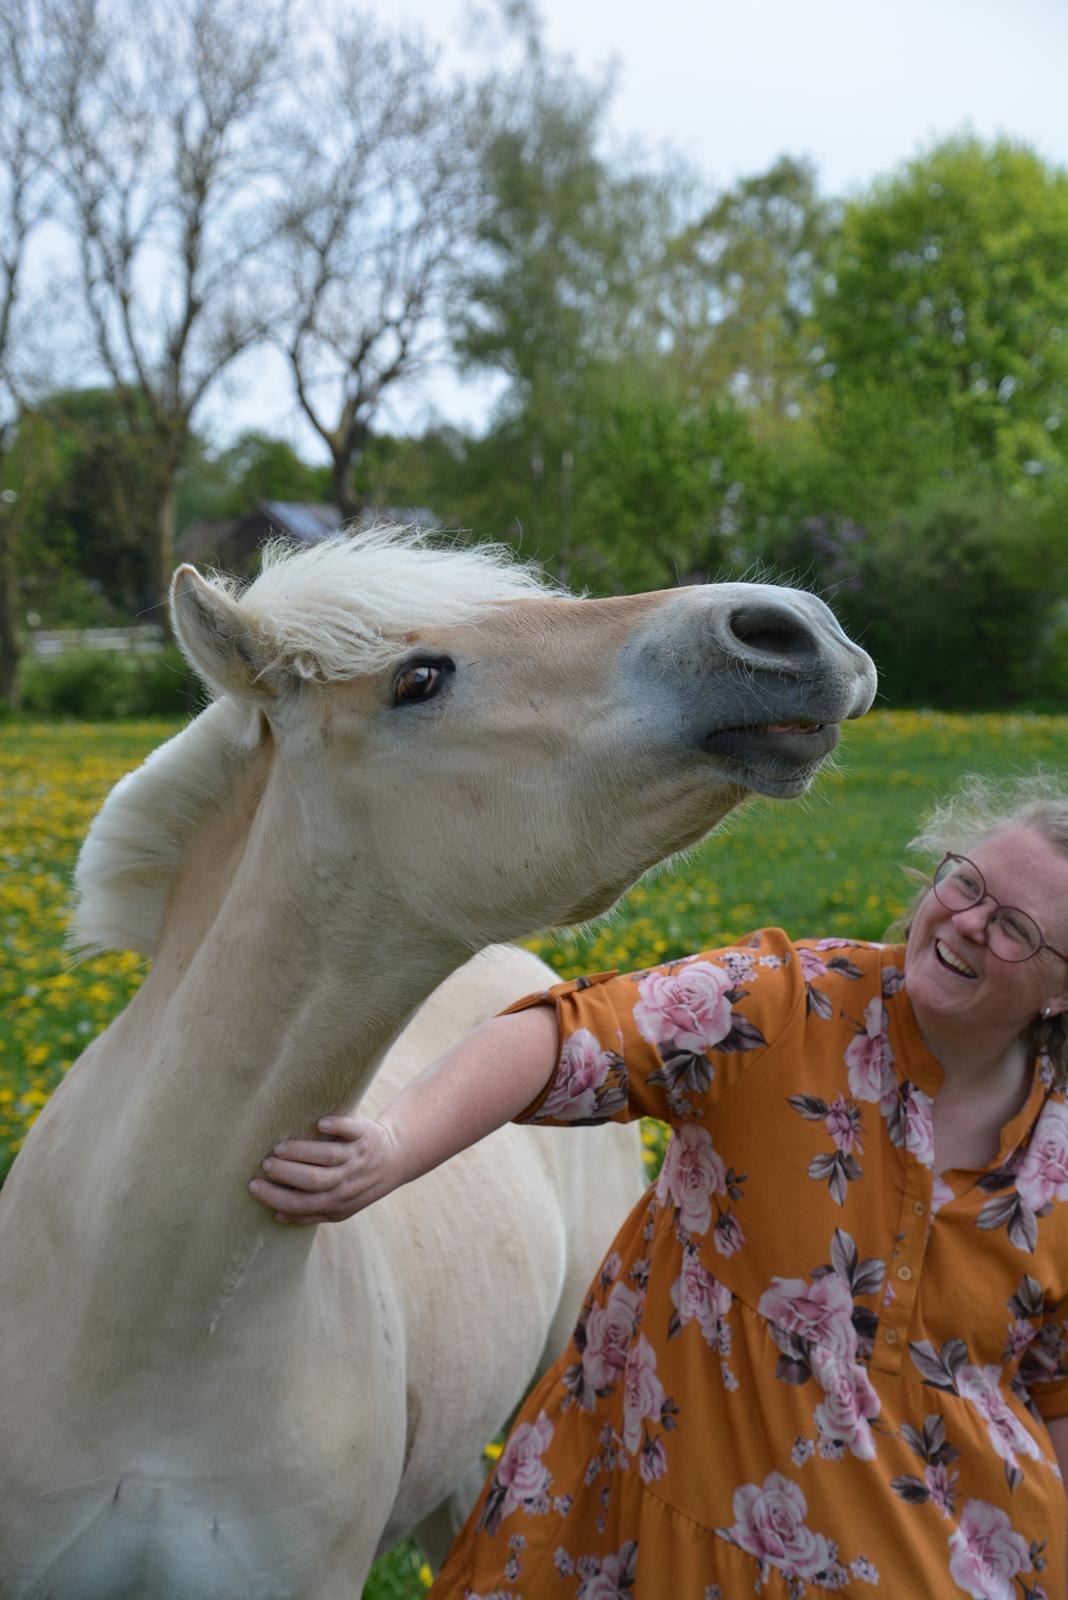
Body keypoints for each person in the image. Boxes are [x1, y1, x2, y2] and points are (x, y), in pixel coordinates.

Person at [250, 777, 1068, 1598]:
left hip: (951, 1562)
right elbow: (565, 1037)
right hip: (652, 1530)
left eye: (1014, 929)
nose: (966, 922)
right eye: (966, 882)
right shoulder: (788, 1006)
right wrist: (391, 1147)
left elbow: (1056, 1391)